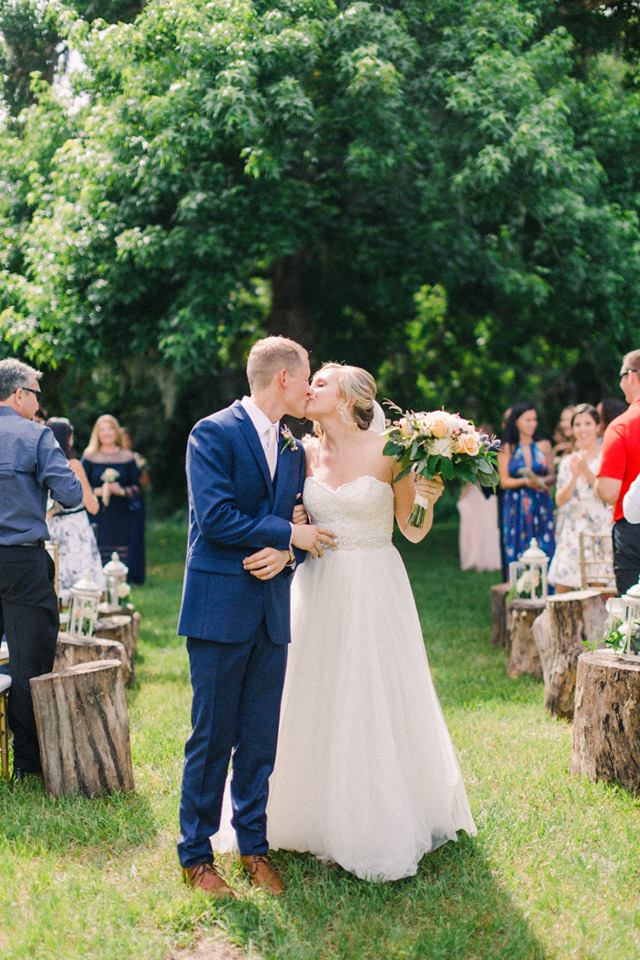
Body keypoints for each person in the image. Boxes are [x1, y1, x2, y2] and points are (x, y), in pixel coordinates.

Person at [262, 363, 476, 881]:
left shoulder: (391, 453)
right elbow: (296, 516)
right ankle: (303, 812)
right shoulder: (303, 453)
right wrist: (296, 524)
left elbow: (414, 530)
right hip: (318, 585)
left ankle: (378, 816)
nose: (308, 388)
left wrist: (425, 497)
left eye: (320, 383)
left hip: (375, 583)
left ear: (349, 398)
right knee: (315, 690)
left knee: (372, 693)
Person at [177, 336, 335, 899]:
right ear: (284, 379)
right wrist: (289, 534)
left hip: (271, 611)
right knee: (212, 736)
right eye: (308, 374)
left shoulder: (294, 449)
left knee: (260, 740)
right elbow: (217, 517)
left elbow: (291, 519)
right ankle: (195, 856)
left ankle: (252, 847)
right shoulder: (212, 433)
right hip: (219, 609)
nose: (313, 384)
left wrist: (288, 551)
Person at [0, 359, 82, 780]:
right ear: (18, 395)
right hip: (21, 561)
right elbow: (70, 493)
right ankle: (27, 766)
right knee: (29, 661)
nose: (37, 401)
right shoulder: (36, 436)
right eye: (35, 392)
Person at [548, 405, 612, 592]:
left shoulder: (606, 457)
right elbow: (560, 500)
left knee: (598, 590)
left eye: (587, 424)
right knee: (563, 589)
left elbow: (608, 495)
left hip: (599, 529)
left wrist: (586, 471)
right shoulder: (568, 461)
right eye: (577, 424)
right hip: (573, 531)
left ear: (598, 426)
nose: (582, 429)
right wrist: (574, 477)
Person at [595, 350, 640, 595]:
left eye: (622, 375)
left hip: (633, 527)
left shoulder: (622, 426)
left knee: (634, 614)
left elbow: (609, 491)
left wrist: (596, 486)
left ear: (631, 377)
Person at [45, 417, 104, 601]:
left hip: (51, 527)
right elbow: (92, 506)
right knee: (82, 582)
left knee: (56, 581)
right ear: (68, 438)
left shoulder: (42, 465)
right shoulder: (73, 465)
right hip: (75, 527)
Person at [81, 415, 141, 578]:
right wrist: (96, 492)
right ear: (97, 433)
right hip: (98, 513)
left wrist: (120, 490)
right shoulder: (89, 456)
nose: (106, 433)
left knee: (121, 549)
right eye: (102, 429)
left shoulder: (127, 456)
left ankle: (121, 587)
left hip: (121, 513)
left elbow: (137, 487)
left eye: (110, 428)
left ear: (116, 431)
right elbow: (80, 484)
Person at [498, 403, 555, 568]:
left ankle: (547, 588)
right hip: (516, 506)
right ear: (516, 422)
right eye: (527, 420)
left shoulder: (543, 445)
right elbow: (504, 481)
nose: (532, 424)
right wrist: (525, 481)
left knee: (545, 544)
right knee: (518, 548)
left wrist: (543, 481)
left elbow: (552, 473)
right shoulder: (507, 448)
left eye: (534, 420)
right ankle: (520, 588)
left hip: (541, 502)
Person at [457, 424, 501, 572]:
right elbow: (468, 480)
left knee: (487, 526)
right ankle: (477, 557)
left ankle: (487, 558)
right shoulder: (471, 455)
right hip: (477, 494)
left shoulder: (493, 454)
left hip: (487, 495)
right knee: (477, 527)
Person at [120, 427, 147, 585]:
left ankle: (137, 574)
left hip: (135, 503)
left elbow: (145, 481)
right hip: (119, 505)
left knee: (136, 537)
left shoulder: (136, 458)